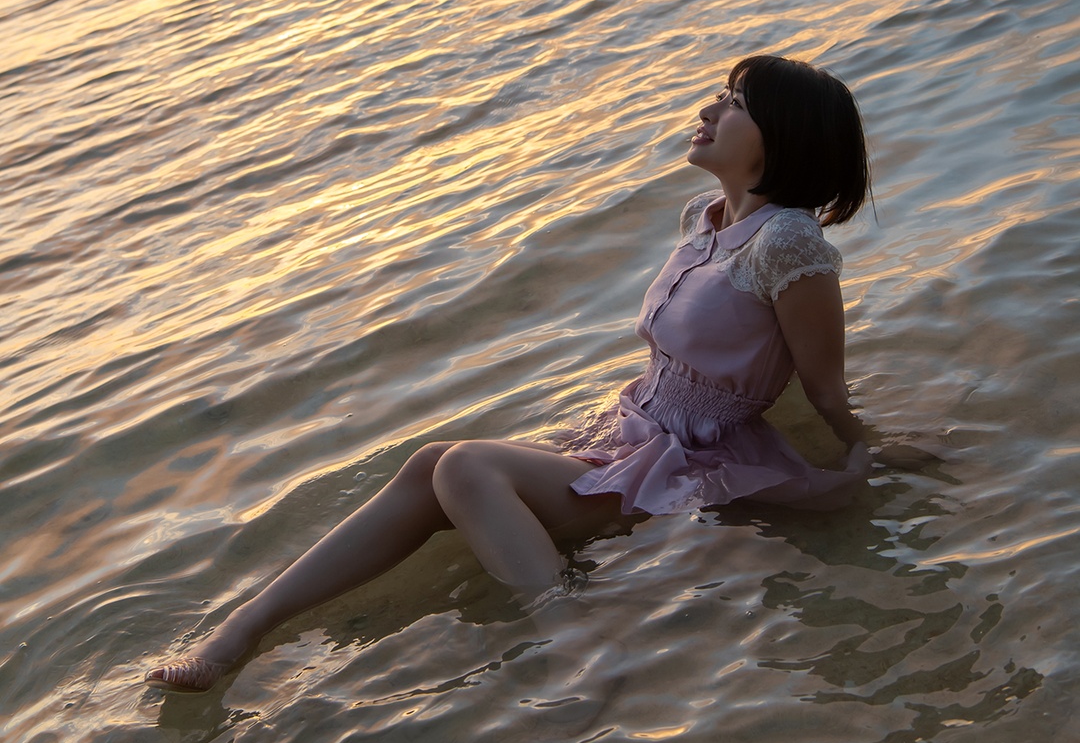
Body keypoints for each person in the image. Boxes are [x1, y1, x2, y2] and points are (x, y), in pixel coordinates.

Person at [145, 53, 873, 694]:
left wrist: (865, 451)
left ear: (781, 139)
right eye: (720, 93)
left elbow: (823, 385)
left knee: (464, 467)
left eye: (736, 104)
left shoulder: (788, 241)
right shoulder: (705, 217)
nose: (710, 108)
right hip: (636, 430)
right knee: (430, 463)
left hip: (691, 459)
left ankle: (581, 651)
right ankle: (245, 629)